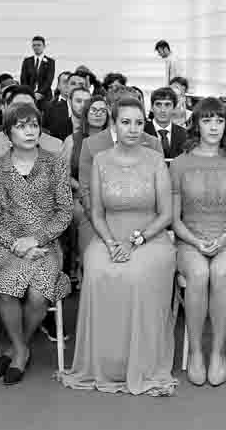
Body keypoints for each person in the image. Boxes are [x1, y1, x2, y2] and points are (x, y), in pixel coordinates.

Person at [61, 93, 177, 397]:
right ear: (115, 124)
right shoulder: (100, 159)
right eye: (126, 122)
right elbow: (96, 212)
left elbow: (166, 214)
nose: (133, 128)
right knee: (98, 270)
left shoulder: (154, 159)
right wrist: (111, 242)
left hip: (149, 235)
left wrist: (135, 240)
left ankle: (139, 361)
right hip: (109, 233)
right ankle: (107, 363)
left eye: (139, 122)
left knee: (137, 275)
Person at [0, 101, 75, 385]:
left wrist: (38, 239)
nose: (29, 131)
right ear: (8, 133)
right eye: (21, 127)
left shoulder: (54, 162)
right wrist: (16, 243)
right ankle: (20, 350)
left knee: (37, 294)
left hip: (47, 243)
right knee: (6, 289)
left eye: (33, 125)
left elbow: (65, 210)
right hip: (9, 245)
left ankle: (19, 345)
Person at [171, 98, 226, 387]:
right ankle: (195, 352)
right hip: (188, 239)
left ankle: (217, 352)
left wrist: (223, 239)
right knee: (199, 273)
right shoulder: (180, 164)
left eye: (219, 120)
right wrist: (194, 240)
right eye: (207, 120)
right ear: (196, 124)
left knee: (219, 272)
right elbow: (175, 219)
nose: (214, 126)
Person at [147, 86, 189, 160]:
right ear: (151, 108)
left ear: (174, 108)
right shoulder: (141, 132)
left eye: (167, 105)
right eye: (158, 105)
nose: (163, 110)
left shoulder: (185, 135)